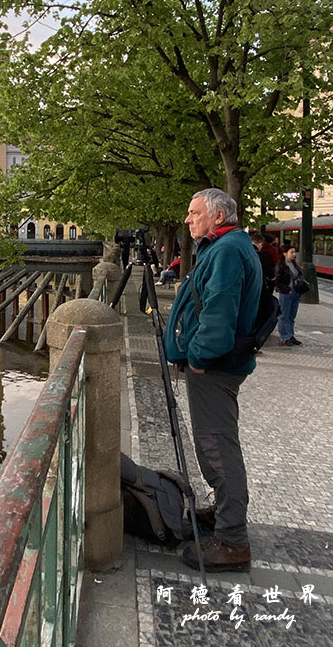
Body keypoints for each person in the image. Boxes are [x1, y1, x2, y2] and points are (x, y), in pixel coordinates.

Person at [163, 188, 262, 573]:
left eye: (193, 212)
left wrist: (200, 359)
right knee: (214, 443)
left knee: (217, 446)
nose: (187, 220)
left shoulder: (226, 251)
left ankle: (233, 540)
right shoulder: (224, 246)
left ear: (217, 216)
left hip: (215, 370)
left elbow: (219, 313)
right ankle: (222, 513)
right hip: (216, 367)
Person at [275, 244, 304, 346]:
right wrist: (286, 289)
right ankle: (284, 336)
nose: (293, 254)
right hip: (287, 292)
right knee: (284, 315)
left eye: (294, 252)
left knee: (291, 315)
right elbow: (277, 281)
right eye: (291, 252)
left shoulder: (294, 264)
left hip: (296, 292)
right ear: (284, 253)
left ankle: (291, 336)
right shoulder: (281, 266)